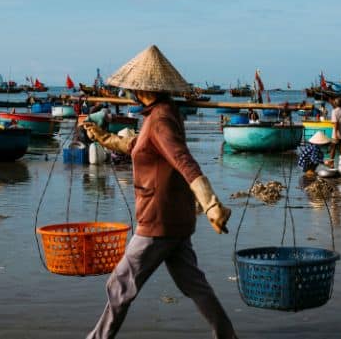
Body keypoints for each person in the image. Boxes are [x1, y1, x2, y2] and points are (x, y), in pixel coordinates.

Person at [82, 45, 235, 339]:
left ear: (141, 89)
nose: (128, 93)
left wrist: (212, 204)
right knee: (195, 286)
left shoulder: (161, 119)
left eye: (131, 89)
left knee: (119, 284)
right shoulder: (162, 114)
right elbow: (139, 146)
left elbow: (182, 159)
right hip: (175, 219)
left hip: (157, 220)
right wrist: (102, 137)